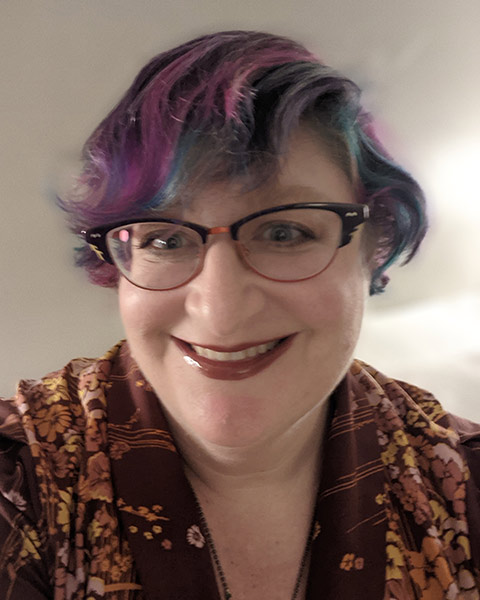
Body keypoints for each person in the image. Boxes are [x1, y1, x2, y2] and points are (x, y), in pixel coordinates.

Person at [0, 30, 479, 600]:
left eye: (285, 232)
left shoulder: (464, 488)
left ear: (374, 247)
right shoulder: (19, 480)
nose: (221, 308)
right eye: (164, 239)